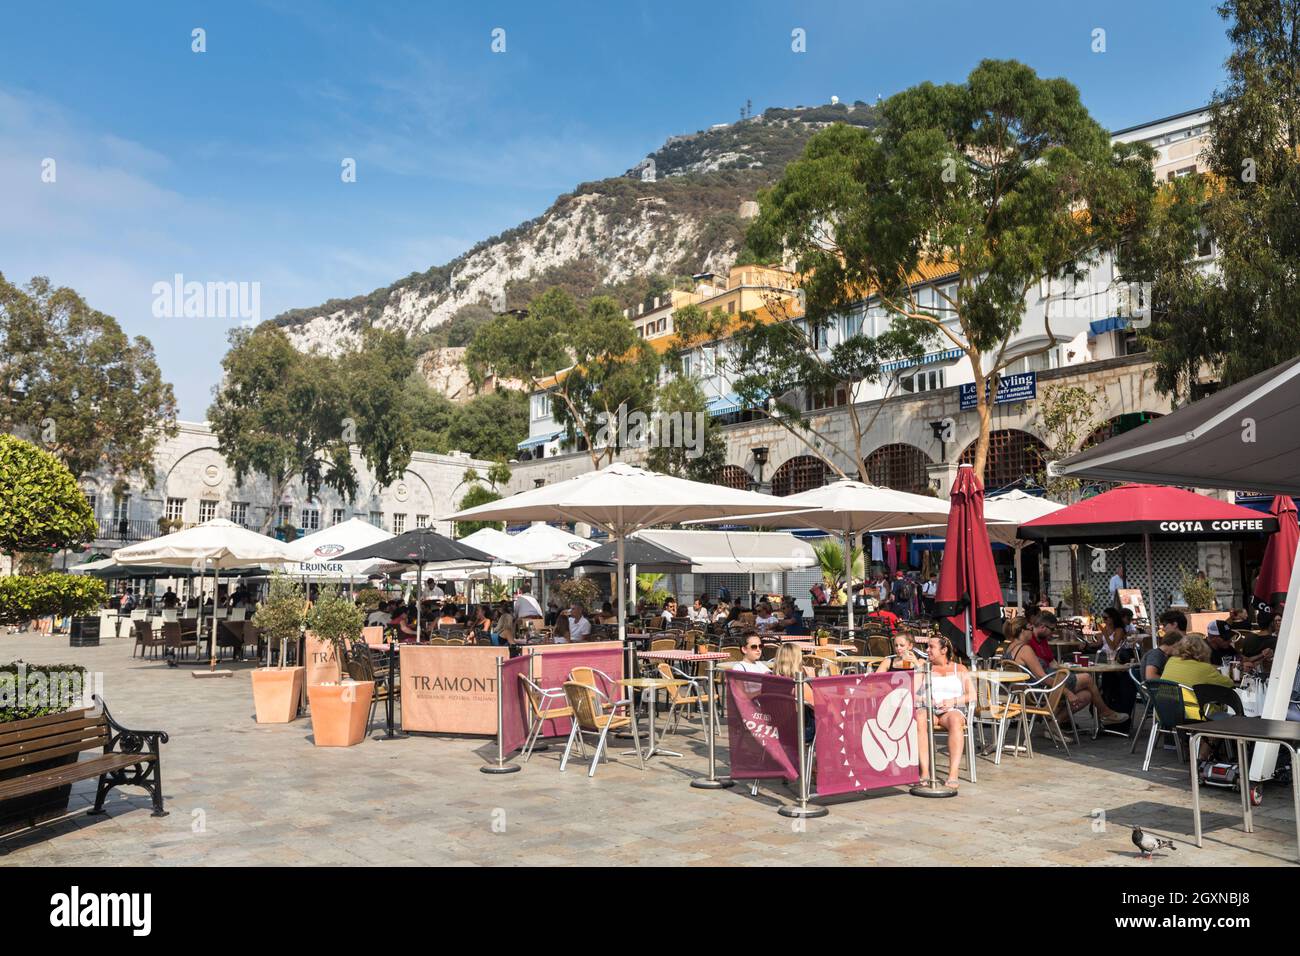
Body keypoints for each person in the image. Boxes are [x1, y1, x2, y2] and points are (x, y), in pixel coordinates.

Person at [1004, 616, 1129, 726]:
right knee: (1087, 678)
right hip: (1041, 691)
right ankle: (1105, 713)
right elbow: (1043, 677)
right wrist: (1067, 692)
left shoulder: (1010, 648)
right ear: (1022, 631)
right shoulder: (1025, 649)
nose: (1032, 631)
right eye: (1030, 629)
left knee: (1086, 695)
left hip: (1030, 691)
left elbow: (1046, 669)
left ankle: (1055, 723)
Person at [916, 634, 975, 790]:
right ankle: (925, 771)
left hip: (951, 710)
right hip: (930, 709)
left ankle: (953, 773)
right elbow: (912, 693)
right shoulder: (923, 668)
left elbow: (972, 695)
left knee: (955, 719)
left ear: (944, 650)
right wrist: (926, 700)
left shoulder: (959, 668)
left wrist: (953, 701)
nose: (927, 650)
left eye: (931, 647)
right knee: (920, 717)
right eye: (927, 646)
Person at [1160, 635, 1235, 722]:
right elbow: (1230, 684)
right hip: (1196, 716)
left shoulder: (1171, 661)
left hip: (1166, 712)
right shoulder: (1205, 668)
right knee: (1232, 716)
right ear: (1203, 650)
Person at [769, 644, 816, 745]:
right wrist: (813, 681)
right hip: (801, 732)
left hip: (775, 729)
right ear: (796, 660)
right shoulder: (799, 686)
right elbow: (821, 708)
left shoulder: (769, 681)